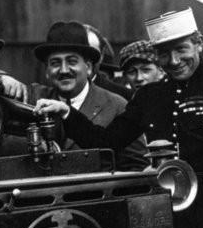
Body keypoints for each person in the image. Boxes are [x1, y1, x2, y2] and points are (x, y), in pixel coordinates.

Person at [35, 7, 203, 228]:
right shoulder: (150, 96)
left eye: (181, 49)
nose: (174, 61)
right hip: (163, 224)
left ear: (198, 43)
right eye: (164, 53)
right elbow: (106, 143)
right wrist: (67, 114)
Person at [31, 20, 146, 171]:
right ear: (47, 71)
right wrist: (0, 77)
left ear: (89, 67)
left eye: (72, 61)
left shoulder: (117, 105)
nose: (64, 70)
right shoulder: (34, 100)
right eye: (55, 63)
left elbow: (137, 168)